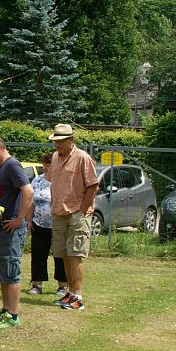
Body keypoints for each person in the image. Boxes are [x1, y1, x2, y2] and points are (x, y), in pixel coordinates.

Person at [0, 134, 33, 329]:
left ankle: (13, 314)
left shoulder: (12, 165)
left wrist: (19, 219)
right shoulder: (2, 167)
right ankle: (5, 310)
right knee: (2, 268)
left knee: (11, 268)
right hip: (1, 226)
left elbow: (28, 191)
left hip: (12, 227)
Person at [46, 123, 99, 310]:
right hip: (59, 212)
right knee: (64, 255)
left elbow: (93, 185)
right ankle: (69, 293)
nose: (57, 146)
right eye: (55, 142)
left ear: (70, 140)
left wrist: (83, 209)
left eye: (60, 142)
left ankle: (78, 297)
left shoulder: (83, 158)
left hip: (77, 212)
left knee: (75, 254)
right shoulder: (55, 157)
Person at [28, 152, 68, 296]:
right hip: (38, 224)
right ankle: (37, 284)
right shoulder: (37, 180)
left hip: (57, 225)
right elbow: (30, 202)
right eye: (44, 167)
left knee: (60, 255)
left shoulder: (62, 181)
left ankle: (63, 285)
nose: (45, 170)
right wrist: (29, 220)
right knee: (38, 254)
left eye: (48, 168)